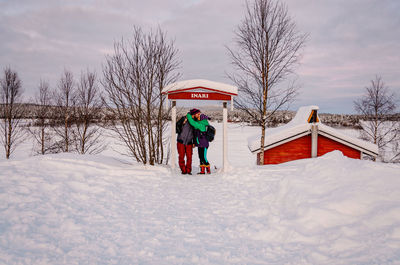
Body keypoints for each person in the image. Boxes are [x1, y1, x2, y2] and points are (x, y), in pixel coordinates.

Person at [176, 108, 199, 175]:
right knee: (181, 156)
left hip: (189, 142)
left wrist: (194, 142)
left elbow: (195, 133)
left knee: (189, 157)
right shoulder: (184, 118)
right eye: (197, 114)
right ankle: (183, 170)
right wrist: (182, 124)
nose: (198, 115)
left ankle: (188, 170)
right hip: (181, 141)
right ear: (193, 114)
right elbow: (176, 127)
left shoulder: (195, 122)